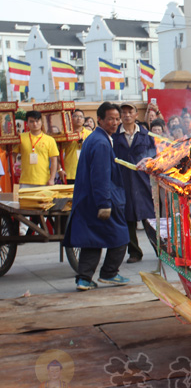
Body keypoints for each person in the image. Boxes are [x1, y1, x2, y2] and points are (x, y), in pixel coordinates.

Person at [63, 102, 130, 291]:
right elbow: (100, 175)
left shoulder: (95, 138)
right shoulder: (100, 143)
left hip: (88, 198)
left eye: (117, 119)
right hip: (100, 199)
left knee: (92, 239)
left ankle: (84, 279)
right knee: (121, 235)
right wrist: (104, 203)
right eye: (110, 119)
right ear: (100, 119)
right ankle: (109, 273)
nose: (115, 122)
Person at [114, 103, 157, 264]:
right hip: (123, 180)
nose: (126, 115)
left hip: (143, 181)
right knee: (127, 218)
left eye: (129, 112)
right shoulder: (115, 137)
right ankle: (134, 252)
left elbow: (156, 157)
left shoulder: (146, 135)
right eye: (123, 112)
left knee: (150, 217)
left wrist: (150, 164)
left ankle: (159, 248)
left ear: (136, 114)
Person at [13, 111, 59, 188]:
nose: (35, 124)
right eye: (31, 121)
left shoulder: (50, 140)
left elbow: (54, 161)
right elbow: (13, 155)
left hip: (44, 181)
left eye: (37, 121)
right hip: (25, 181)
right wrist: (10, 169)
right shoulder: (21, 138)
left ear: (41, 122)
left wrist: (52, 179)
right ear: (27, 123)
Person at [59, 109, 92, 184]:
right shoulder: (66, 134)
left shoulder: (90, 134)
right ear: (71, 118)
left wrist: (85, 144)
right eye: (76, 116)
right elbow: (58, 154)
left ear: (84, 120)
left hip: (86, 171)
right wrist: (60, 169)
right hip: (69, 172)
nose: (79, 118)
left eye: (81, 117)